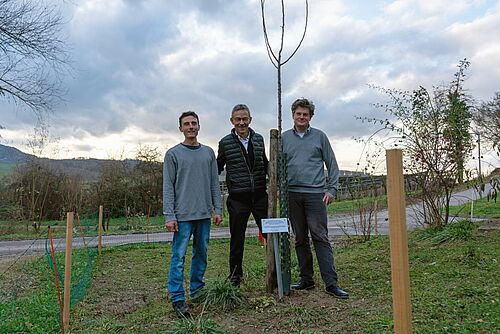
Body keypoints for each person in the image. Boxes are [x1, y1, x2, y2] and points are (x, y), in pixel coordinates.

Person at [282, 98, 349, 299]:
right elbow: (277, 166)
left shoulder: (320, 137)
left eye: (305, 114)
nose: (301, 117)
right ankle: (306, 279)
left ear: (310, 117)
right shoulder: (284, 138)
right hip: (292, 194)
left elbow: (332, 164)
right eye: (298, 114)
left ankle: (331, 283)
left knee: (320, 237)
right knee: (300, 238)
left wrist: (332, 189)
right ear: (293, 115)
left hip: (315, 195)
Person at [163, 111, 223, 317]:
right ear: (180, 128)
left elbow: (215, 184)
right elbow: (168, 187)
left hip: (204, 214)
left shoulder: (208, 153)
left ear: (199, 126)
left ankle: (197, 291)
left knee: (201, 254)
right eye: (186, 124)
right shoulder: (173, 154)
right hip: (182, 216)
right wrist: (169, 215)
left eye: (194, 123)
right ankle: (178, 297)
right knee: (178, 257)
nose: (190, 126)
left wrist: (218, 209)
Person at [217, 104, 268, 287]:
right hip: (238, 199)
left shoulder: (260, 139)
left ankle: (276, 274)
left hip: (261, 197)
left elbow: (266, 164)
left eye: (244, 119)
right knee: (237, 240)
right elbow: (217, 167)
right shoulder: (225, 142)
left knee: (271, 235)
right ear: (232, 121)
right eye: (237, 119)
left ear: (250, 120)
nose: (241, 122)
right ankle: (235, 279)